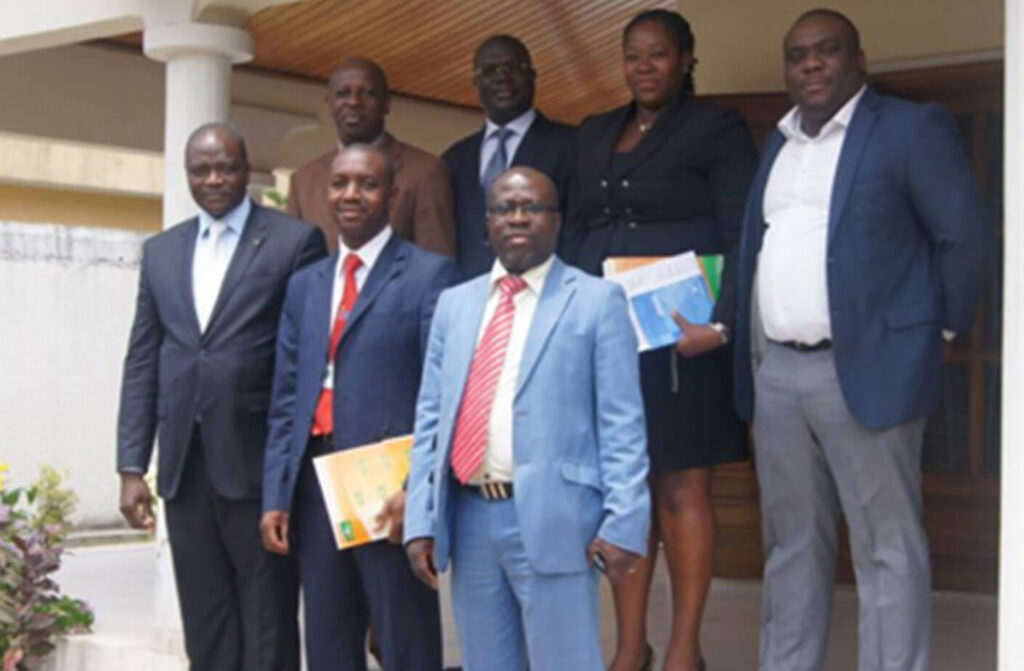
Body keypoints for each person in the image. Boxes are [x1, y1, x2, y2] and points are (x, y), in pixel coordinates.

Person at [733, 10, 991, 671]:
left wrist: (941, 330)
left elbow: (964, 236)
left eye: (827, 50)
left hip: (871, 368)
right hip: (778, 374)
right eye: (798, 55)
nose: (811, 64)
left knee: (887, 548)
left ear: (859, 60)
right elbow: (761, 247)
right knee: (790, 544)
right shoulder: (779, 146)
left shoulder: (908, 128)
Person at [565, 9, 758, 671]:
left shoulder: (716, 128)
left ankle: (683, 648)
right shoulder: (595, 130)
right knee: (625, 492)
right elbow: (575, 228)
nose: (644, 67)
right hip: (606, 337)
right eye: (633, 55)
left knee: (682, 490)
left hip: (683, 341)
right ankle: (628, 648)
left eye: (658, 54)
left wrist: (722, 325)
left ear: (687, 59)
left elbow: (742, 235)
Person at [404, 167, 650, 671]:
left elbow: (622, 423)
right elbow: (431, 419)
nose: (517, 218)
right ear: (487, 223)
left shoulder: (597, 301)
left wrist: (625, 521)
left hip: (558, 519)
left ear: (556, 220)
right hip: (469, 518)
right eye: (504, 208)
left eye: (531, 207)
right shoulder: (455, 305)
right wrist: (419, 519)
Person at [116, 122, 327, 671]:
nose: (213, 179)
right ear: (187, 174)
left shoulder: (294, 242)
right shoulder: (161, 252)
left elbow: (305, 362)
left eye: (225, 167)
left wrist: (290, 467)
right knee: (205, 622)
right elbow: (143, 359)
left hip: (259, 468)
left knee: (267, 621)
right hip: (185, 467)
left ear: (246, 169)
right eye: (201, 170)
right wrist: (132, 465)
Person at [261, 144, 457, 671]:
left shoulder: (429, 275)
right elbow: (286, 396)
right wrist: (277, 493)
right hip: (315, 485)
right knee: (328, 641)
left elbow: (442, 395)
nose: (351, 195)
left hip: (387, 488)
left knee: (405, 642)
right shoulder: (305, 285)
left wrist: (417, 489)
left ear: (392, 195)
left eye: (367, 184)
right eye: (340, 183)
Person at [288, 57, 456, 257]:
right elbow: (293, 262)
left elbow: (436, 261)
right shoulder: (303, 181)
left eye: (367, 93)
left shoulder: (425, 172)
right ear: (329, 105)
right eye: (343, 94)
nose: (354, 102)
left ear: (387, 104)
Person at [443, 35, 575, 278]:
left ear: (532, 76)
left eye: (512, 68)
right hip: (472, 289)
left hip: (547, 287)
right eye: (489, 70)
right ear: (476, 82)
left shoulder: (572, 144)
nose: (501, 78)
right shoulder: (454, 159)